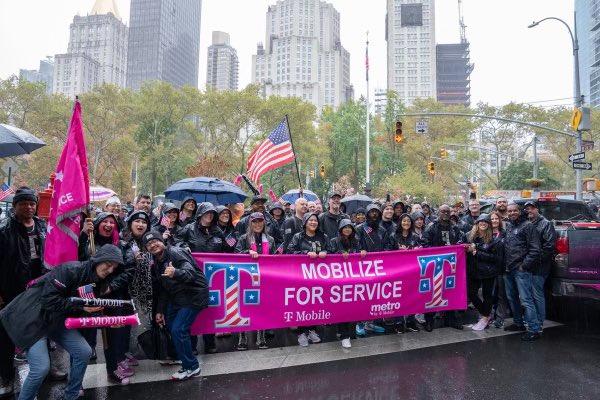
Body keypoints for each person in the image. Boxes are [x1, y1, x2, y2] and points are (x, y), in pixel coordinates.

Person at [0, 244, 123, 400]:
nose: (110, 270)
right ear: (99, 259)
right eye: (109, 264)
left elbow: (81, 315)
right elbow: (49, 300)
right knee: (40, 368)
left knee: (84, 351)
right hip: (34, 318)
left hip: (56, 320)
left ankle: (70, 396)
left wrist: (106, 322)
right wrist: (81, 306)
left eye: (115, 267)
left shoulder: (96, 283)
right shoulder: (70, 269)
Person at [0, 187, 67, 396]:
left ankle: (46, 369)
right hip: (12, 289)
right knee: (7, 334)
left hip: (39, 288)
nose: (28, 207)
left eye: (32, 203)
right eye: (23, 204)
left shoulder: (42, 225)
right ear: (15, 206)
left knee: (42, 327)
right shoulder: (5, 231)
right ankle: (6, 376)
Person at [144, 231, 208, 380]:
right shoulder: (156, 262)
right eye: (148, 244)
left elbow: (190, 273)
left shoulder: (176, 253)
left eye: (155, 241)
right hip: (176, 297)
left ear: (162, 241)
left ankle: (192, 366)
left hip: (193, 295)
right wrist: (160, 310)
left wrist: (176, 272)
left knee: (179, 330)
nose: (153, 245)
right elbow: (164, 289)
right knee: (174, 329)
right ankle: (184, 359)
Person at [80, 212, 135, 384]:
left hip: (113, 297)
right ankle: (77, 380)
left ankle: (112, 371)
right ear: (97, 224)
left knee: (112, 339)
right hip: (90, 297)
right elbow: (78, 261)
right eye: (105, 221)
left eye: (112, 222)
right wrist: (83, 236)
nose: (109, 225)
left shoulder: (123, 245)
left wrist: (111, 286)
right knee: (85, 341)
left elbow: (130, 269)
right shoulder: (88, 243)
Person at [178, 202, 225, 354]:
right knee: (193, 309)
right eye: (207, 213)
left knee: (210, 309)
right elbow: (177, 241)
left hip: (213, 277)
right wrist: (183, 246)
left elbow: (229, 248)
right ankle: (192, 345)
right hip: (193, 276)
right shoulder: (189, 228)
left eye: (212, 213)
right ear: (200, 214)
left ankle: (209, 342)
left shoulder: (217, 231)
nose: (209, 216)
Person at [234, 213, 277, 350]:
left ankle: (261, 336)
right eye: (255, 222)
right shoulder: (243, 238)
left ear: (264, 223)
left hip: (265, 278)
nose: (258, 224)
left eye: (260, 222)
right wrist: (247, 252)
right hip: (247, 278)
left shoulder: (270, 239)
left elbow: (275, 257)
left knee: (262, 306)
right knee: (244, 306)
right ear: (250, 223)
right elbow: (235, 255)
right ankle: (242, 336)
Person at [287, 213, 329, 346]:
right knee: (302, 304)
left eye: (315, 220)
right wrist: (305, 254)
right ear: (305, 222)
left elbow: (332, 250)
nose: (313, 222)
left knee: (315, 303)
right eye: (310, 220)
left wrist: (326, 253)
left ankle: (312, 330)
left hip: (318, 276)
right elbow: (289, 252)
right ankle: (301, 333)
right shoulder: (298, 237)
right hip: (301, 276)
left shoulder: (323, 237)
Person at [422, 205, 465, 332]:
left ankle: (450, 319)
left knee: (450, 290)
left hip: (451, 265)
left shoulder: (455, 228)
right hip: (435, 264)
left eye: (447, 211)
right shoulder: (431, 227)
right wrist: (437, 253)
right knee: (433, 292)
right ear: (438, 212)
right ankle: (429, 320)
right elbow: (425, 243)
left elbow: (460, 242)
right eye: (443, 211)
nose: (446, 213)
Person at [502, 203, 542, 341]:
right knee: (512, 299)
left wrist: (524, 266)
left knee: (526, 300)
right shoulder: (509, 226)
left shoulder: (528, 226)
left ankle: (534, 329)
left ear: (520, 211)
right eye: (509, 211)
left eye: (514, 210)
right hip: (508, 269)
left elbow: (535, 249)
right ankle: (518, 323)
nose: (512, 213)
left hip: (521, 270)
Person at [329, 219, 366, 348]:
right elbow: (329, 255)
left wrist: (363, 252)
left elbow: (361, 252)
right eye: (345, 227)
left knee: (352, 307)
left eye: (350, 227)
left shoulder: (356, 241)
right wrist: (338, 254)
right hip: (338, 281)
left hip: (354, 280)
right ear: (340, 229)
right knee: (341, 307)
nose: (347, 230)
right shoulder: (334, 241)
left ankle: (344, 330)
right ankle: (345, 335)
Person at [355, 204, 389, 335]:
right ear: (367, 214)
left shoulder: (382, 230)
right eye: (371, 212)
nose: (374, 214)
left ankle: (371, 322)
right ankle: (360, 323)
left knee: (375, 296)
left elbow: (387, 246)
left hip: (379, 268)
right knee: (362, 297)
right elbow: (355, 244)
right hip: (363, 268)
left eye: (376, 212)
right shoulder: (359, 228)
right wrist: (360, 251)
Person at [524, 200, 556, 335]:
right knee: (529, 295)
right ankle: (532, 319)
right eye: (527, 209)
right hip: (529, 265)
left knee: (537, 294)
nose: (529, 211)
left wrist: (532, 260)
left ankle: (540, 322)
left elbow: (549, 247)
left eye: (531, 208)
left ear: (537, 209)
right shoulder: (527, 223)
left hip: (540, 266)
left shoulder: (546, 224)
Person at [386, 213, 421, 334]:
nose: (406, 223)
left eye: (408, 221)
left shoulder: (415, 237)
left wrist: (418, 249)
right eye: (404, 221)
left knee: (412, 295)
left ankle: (411, 321)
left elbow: (422, 251)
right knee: (399, 297)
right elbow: (387, 252)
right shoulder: (393, 236)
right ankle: (399, 322)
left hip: (413, 271)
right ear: (400, 222)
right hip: (398, 272)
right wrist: (398, 251)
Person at [465, 214, 501, 331]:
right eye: (481, 222)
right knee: (471, 294)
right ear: (477, 224)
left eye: (486, 222)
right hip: (473, 271)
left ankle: (485, 317)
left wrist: (477, 252)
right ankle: (486, 314)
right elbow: (462, 247)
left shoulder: (493, 238)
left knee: (487, 295)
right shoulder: (468, 236)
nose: (483, 224)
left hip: (488, 272)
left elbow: (495, 257)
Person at [489, 211, 508, 328]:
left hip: (501, 269)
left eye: (496, 219)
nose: (494, 221)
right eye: (492, 219)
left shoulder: (505, 233)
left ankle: (500, 318)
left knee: (501, 295)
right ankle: (488, 316)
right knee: (489, 295)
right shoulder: (485, 234)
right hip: (488, 269)